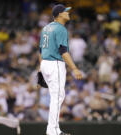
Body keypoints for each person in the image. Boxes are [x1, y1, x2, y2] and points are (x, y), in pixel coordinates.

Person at [39, 4, 83, 135]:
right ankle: (52, 130)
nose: (68, 13)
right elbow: (63, 51)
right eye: (65, 11)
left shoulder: (46, 28)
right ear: (59, 15)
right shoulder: (61, 29)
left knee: (58, 95)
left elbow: (41, 50)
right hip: (55, 63)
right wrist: (74, 68)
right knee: (57, 96)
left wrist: (41, 69)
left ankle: (55, 128)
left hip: (45, 62)